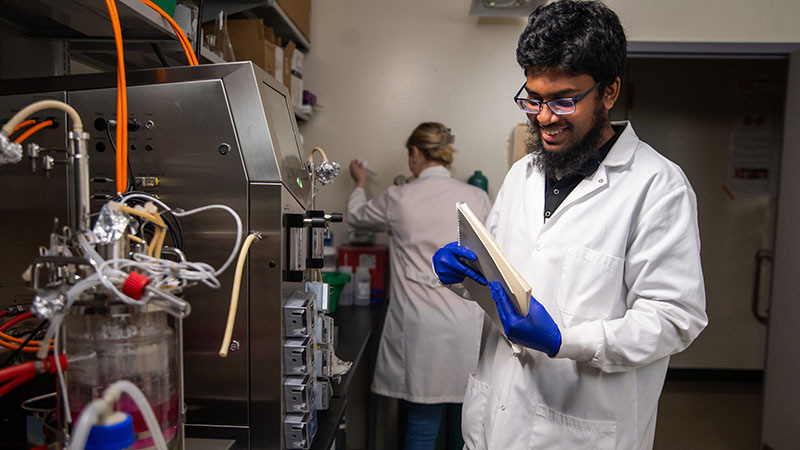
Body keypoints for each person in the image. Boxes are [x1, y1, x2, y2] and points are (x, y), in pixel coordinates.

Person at [431, 1, 708, 449]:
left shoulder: (658, 186)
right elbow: (505, 279)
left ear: (609, 92)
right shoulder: (523, 174)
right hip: (492, 424)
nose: (543, 117)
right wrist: (466, 275)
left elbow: (676, 317)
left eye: (564, 100)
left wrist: (566, 341)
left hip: (580, 431)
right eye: (534, 98)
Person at [347, 122, 492, 450]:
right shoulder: (477, 197)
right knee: (466, 429)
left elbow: (355, 216)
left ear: (415, 153)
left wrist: (358, 184)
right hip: (467, 327)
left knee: (422, 428)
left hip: (420, 329)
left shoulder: (399, 198)